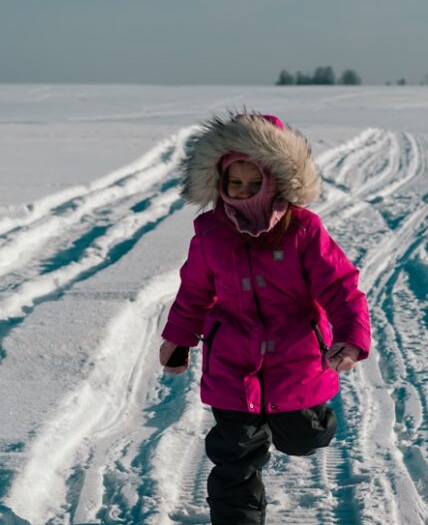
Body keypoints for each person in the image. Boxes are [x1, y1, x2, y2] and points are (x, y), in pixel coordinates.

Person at [158, 112, 371, 525]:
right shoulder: (210, 232)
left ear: (275, 180)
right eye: (234, 183)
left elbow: (340, 286)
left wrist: (351, 336)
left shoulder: (303, 230)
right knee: (234, 450)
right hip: (232, 359)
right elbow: (195, 292)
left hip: (296, 356)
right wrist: (179, 339)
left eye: (254, 183)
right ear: (220, 183)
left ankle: (302, 424)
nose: (243, 191)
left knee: (304, 436)